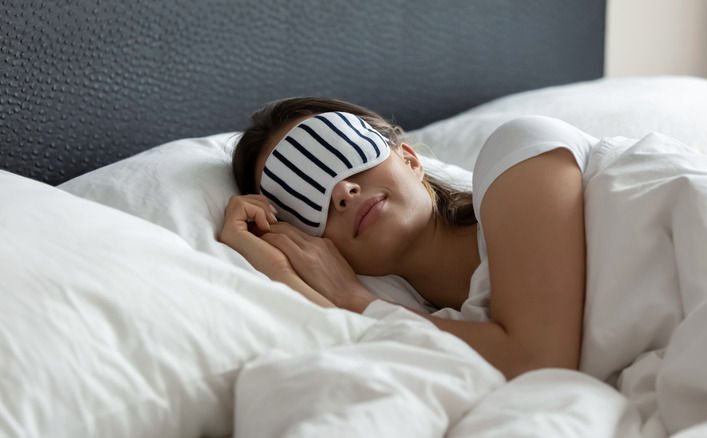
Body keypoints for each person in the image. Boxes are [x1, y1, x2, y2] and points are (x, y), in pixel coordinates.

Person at [220, 97, 587, 380]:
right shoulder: (446, 326)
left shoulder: (519, 157)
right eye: (304, 199)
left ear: (409, 159)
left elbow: (537, 362)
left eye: (343, 154)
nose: (342, 192)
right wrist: (282, 271)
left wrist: (353, 298)